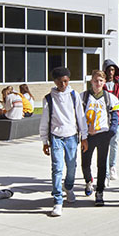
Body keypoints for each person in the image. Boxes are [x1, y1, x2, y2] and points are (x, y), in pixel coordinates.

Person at [39, 67, 88, 217]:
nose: (63, 85)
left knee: (72, 166)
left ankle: (69, 187)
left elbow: (80, 116)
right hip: (56, 137)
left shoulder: (74, 96)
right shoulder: (49, 98)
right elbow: (45, 120)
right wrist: (44, 140)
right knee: (57, 168)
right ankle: (57, 200)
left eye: (66, 81)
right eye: (60, 82)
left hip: (72, 136)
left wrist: (84, 136)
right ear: (55, 82)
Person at [80, 68, 119, 206]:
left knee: (102, 164)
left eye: (101, 81)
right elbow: (77, 117)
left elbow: (115, 117)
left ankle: (100, 191)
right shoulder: (83, 96)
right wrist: (82, 132)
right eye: (96, 80)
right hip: (87, 136)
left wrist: (112, 131)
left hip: (103, 134)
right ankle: (88, 181)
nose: (98, 83)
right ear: (91, 81)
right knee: (85, 163)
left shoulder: (110, 98)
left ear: (104, 82)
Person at [103, 60, 119, 182]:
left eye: (112, 70)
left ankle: (112, 166)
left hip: (116, 117)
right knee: (104, 144)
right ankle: (105, 170)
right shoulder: (101, 84)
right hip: (103, 118)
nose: (110, 72)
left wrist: (116, 106)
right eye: (108, 70)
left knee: (114, 143)